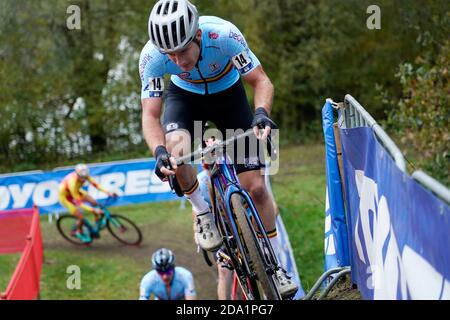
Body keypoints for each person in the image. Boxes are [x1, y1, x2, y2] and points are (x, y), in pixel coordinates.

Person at [139, 0, 297, 298]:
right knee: (176, 150)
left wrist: (261, 112)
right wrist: (159, 151)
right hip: (184, 100)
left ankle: (276, 266)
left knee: (257, 189)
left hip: (229, 96)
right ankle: (202, 212)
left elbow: (261, 80)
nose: (178, 61)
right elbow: (150, 115)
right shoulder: (151, 57)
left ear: (197, 35)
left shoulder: (223, 36)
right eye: (169, 55)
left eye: (183, 50)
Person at [58, 163, 117, 243]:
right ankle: (78, 231)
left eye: (85, 177)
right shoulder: (73, 183)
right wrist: (93, 210)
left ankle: (96, 224)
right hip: (66, 197)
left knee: (94, 203)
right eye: (81, 177)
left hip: (76, 192)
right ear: (77, 174)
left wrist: (108, 192)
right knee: (81, 217)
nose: (83, 179)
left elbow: (96, 185)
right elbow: (79, 204)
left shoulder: (84, 175)